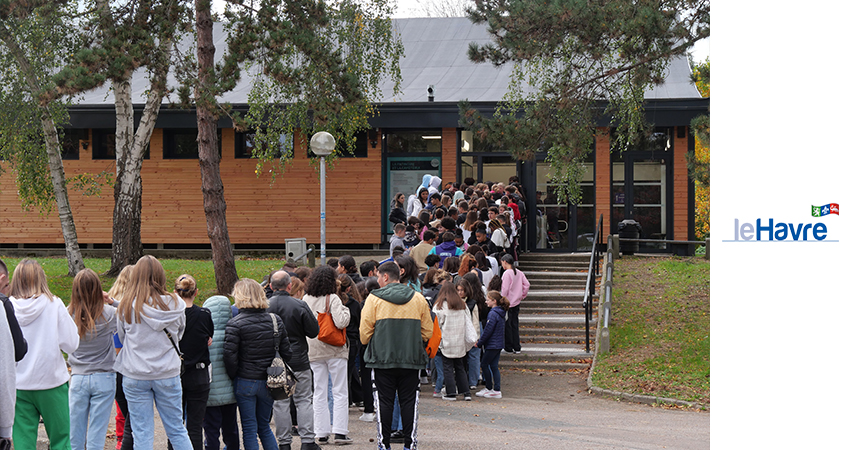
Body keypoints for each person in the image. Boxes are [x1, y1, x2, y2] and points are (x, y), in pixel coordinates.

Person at [114, 256, 192, 450]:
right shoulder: (176, 304)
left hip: (135, 372)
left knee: (142, 433)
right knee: (177, 429)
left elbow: (122, 339)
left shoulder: (126, 305)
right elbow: (179, 334)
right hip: (167, 372)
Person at [360, 262, 432, 450]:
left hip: (382, 358)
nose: (377, 280)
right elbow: (427, 332)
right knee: (410, 402)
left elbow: (364, 334)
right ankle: (410, 443)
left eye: (378, 276)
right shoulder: (418, 298)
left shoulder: (373, 299)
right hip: (411, 358)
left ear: (385, 277)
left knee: (384, 402)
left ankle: (384, 444)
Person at [9, 259, 80, 450]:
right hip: (52, 382)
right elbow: (72, 344)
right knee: (61, 440)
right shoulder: (54, 304)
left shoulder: (7, 307)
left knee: (23, 442)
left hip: (19, 384)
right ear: (41, 278)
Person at [224, 278, 292, 450]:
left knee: (249, 429)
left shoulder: (235, 323)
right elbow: (288, 353)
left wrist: (235, 375)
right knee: (264, 426)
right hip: (270, 380)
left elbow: (229, 357)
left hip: (245, 379)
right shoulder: (275, 320)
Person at [266, 271, 321, 450]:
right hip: (298, 359)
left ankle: (284, 443)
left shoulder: (265, 306)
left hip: (276, 361)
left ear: (271, 287)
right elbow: (313, 331)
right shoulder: (299, 305)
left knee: (280, 402)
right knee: (304, 400)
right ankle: (307, 441)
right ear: (290, 286)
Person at [68, 268, 117, 450]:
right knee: (97, 436)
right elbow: (133, 315)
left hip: (79, 377)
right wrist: (113, 301)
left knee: (75, 435)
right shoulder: (109, 314)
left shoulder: (67, 314)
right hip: (104, 377)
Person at [302, 266, 352, 445]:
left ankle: (320, 432)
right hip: (334, 349)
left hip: (313, 349)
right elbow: (341, 322)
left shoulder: (305, 298)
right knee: (339, 390)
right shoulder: (334, 299)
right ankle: (340, 431)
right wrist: (346, 311)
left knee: (319, 391)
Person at [169, 275, 214, 450]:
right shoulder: (204, 315)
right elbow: (209, 336)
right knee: (195, 426)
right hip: (199, 373)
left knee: (175, 426)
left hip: (174, 372)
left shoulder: (170, 316)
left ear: (175, 292)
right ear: (196, 292)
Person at [201, 295, 239, 450]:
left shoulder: (205, 338)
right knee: (231, 428)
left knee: (211, 430)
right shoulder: (233, 335)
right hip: (230, 394)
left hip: (210, 394)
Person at [431, 282, 474, 401]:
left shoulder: (439, 307)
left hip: (446, 341)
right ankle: (466, 392)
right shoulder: (462, 305)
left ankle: (451, 393)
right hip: (459, 341)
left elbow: (436, 325)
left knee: (448, 367)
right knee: (460, 367)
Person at [475, 291, 509, 399]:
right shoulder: (500, 312)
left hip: (492, 344)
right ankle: (496, 389)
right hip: (498, 343)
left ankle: (489, 388)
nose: (486, 302)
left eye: (488, 300)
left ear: (494, 301)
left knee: (484, 364)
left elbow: (488, 330)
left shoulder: (493, 313)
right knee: (494, 366)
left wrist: (480, 343)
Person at [500, 255, 530, 354]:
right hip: (516, 301)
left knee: (507, 325)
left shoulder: (507, 273)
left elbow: (505, 289)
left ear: (504, 261)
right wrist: (522, 295)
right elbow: (527, 284)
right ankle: (517, 346)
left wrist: (501, 299)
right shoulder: (519, 273)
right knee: (514, 324)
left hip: (508, 302)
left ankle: (509, 346)